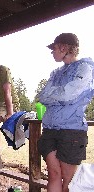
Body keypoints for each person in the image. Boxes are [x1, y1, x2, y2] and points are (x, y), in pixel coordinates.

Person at [37, 33, 94, 192]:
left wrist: (53, 95)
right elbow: (42, 96)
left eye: (54, 48)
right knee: (54, 174)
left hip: (71, 131)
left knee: (70, 182)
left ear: (64, 47)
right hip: (49, 130)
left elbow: (69, 95)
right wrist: (58, 95)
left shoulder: (86, 67)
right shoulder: (56, 73)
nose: (52, 52)